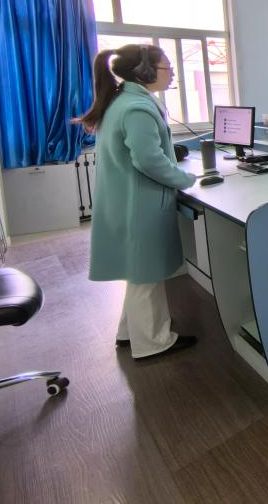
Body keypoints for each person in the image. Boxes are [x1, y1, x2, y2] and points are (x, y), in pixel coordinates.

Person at [78, 44, 198, 360]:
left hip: (125, 200)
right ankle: (154, 342)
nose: (172, 72)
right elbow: (148, 160)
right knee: (146, 275)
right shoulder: (137, 108)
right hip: (138, 203)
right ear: (145, 72)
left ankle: (129, 332)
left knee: (138, 272)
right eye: (167, 67)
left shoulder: (123, 101)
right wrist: (186, 179)